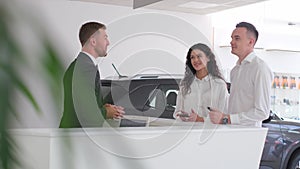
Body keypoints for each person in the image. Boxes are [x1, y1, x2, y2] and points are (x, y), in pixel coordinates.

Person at [59, 21, 124, 128]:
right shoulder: (86, 69)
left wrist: (101, 108)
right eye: (105, 38)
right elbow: (89, 116)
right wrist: (107, 112)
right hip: (78, 137)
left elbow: (82, 106)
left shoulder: (78, 65)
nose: (108, 42)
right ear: (93, 41)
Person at [209, 22, 273, 127]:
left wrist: (228, 118)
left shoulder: (260, 68)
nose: (232, 42)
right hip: (233, 132)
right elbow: (236, 105)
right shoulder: (235, 70)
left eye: (237, 38)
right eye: (232, 38)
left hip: (249, 135)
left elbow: (262, 112)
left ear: (250, 42)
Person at [173, 43, 229, 122]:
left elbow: (224, 116)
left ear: (208, 58)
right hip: (188, 130)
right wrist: (181, 116)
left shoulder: (219, 84)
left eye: (199, 56)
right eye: (192, 57)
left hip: (212, 131)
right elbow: (177, 113)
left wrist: (200, 119)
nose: (195, 60)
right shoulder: (185, 84)